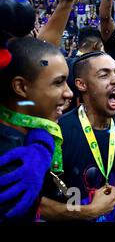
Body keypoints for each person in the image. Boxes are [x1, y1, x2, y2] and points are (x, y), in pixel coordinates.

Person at [40, 51, 115, 222]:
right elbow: (39, 203)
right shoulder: (58, 132)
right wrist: (88, 211)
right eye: (104, 75)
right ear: (82, 84)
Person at [0, 37, 73, 221]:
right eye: (58, 83)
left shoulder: (34, 138)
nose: (69, 93)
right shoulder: (9, 161)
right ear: (21, 87)